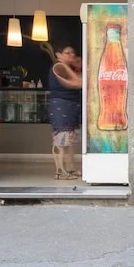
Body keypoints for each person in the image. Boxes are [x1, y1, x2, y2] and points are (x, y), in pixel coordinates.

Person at [48, 43, 82, 180]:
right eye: (67, 53)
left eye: (73, 53)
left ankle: (70, 168)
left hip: (70, 106)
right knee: (61, 139)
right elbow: (78, 83)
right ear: (58, 55)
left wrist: (78, 67)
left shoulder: (68, 68)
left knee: (69, 139)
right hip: (61, 106)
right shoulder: (59, 67)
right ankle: (60, 171)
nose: (72, 55)